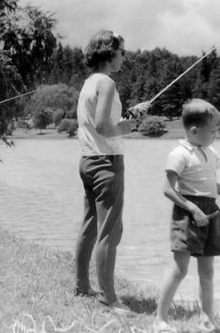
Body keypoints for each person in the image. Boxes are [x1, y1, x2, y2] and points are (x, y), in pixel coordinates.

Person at [153, 99, 220, 333]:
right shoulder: (179, 154)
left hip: (210, 211)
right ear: (195, 131)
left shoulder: (210, 152)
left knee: (207, 270)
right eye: (213, 131)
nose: (216, 135)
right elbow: (168, 189)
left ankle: (206, 320)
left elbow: (212, 185)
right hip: (187, 214)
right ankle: (160, 319)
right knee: (180, 269)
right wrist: (193, 209)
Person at [74, 30, 150, 314]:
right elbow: (105, 127)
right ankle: (108, 298)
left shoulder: (89, 83)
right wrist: (127, 127)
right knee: (109, 232)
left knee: (90, 225)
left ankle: (82, 286)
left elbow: (99, 123)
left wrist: (129, 115)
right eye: (122, 52)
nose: (124, 57)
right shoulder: (106, 82)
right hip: (107, 163)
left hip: (89, 160)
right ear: (109, 53)